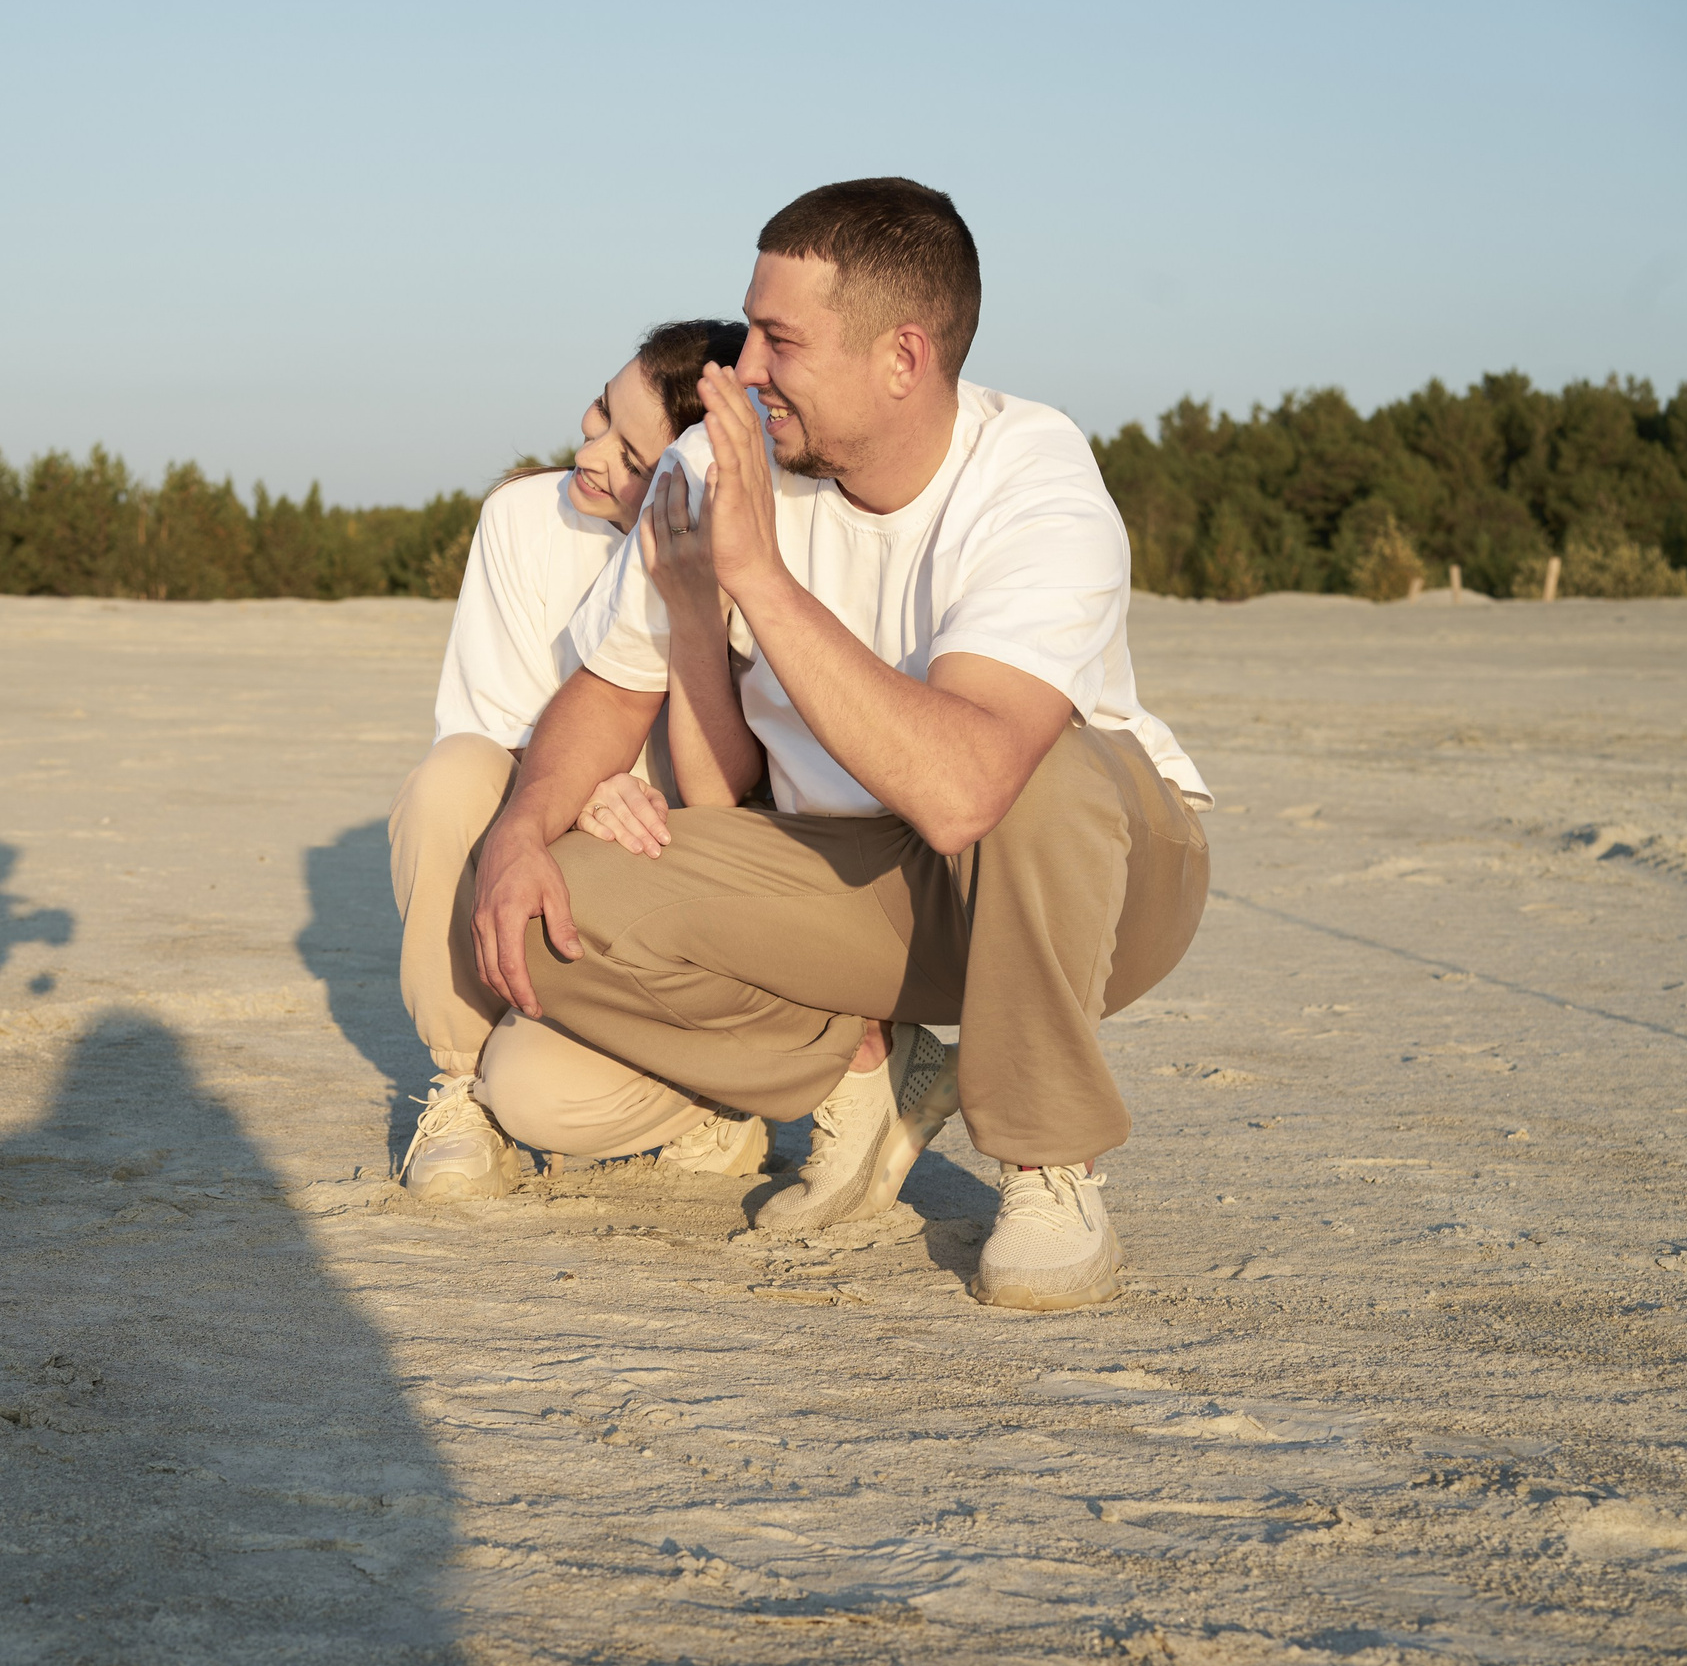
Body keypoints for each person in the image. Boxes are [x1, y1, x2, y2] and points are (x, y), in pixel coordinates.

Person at [469, 180, 1212, 1311]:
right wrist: (521, 830)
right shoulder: (713, 462)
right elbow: (609, 692)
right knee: (557, 898)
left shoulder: (1033, 478)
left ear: (903, 358)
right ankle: (867, 1079)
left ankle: (1050, 1167)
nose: (743, 370)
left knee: (1038, 769)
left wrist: (757, 575)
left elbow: (967, 790)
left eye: (778, 342)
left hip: (1095, 884)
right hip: (856, 877)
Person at [391, 318, 768, 1198]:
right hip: (552, 831)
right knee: (448, 783)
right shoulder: (524, 518)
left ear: (691, 470)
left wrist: (693, 601)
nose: (589, 452)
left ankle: (717, 1095)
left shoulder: (748, 548)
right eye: (601, 413)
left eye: (633, 457)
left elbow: (729, 797)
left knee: (539, 1096)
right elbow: (486, 731)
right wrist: (590, 784)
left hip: (677, 883)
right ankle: (458, 1089)